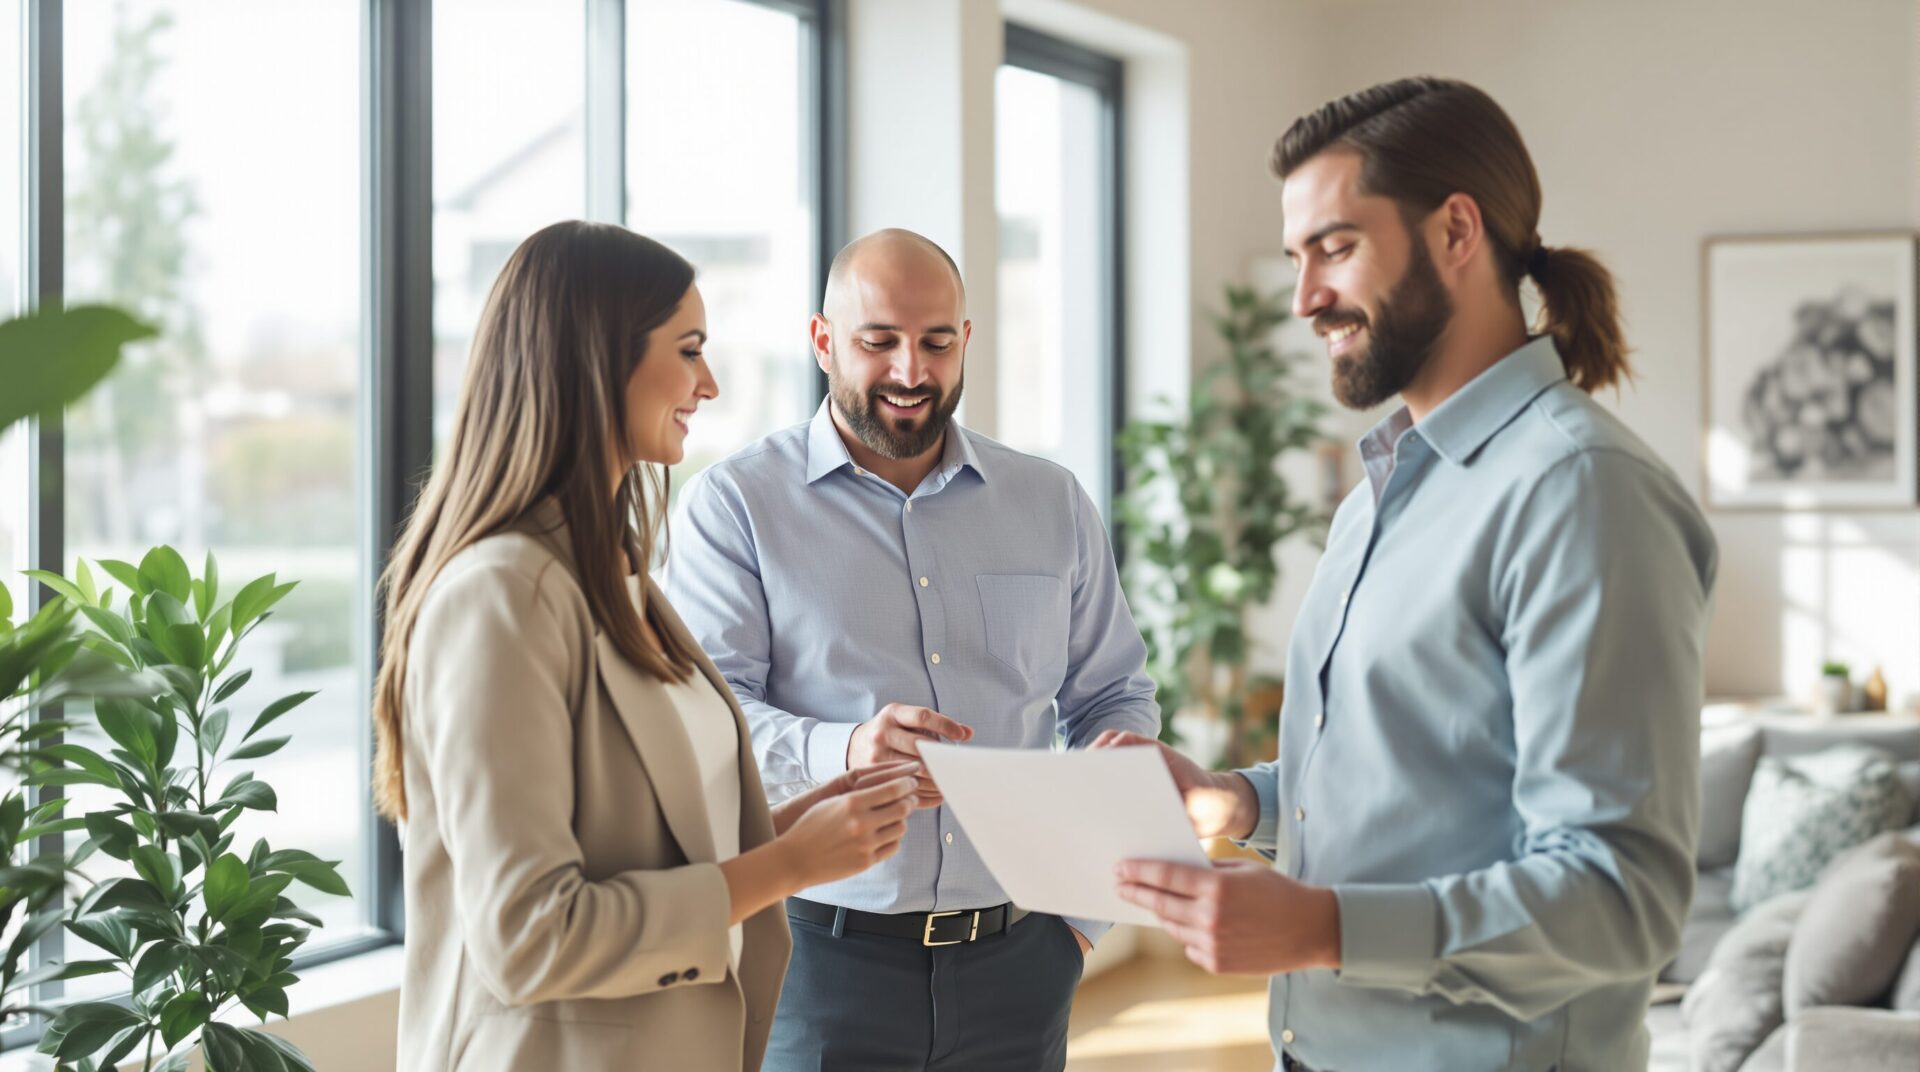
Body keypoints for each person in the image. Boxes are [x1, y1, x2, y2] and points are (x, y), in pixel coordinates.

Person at [1097, 77, 1717, 1070]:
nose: (1304, 299)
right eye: (1299, 258)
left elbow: (1619, 899)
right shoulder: (1382, 489)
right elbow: (1410, 776)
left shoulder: (1580, 491)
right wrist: (1234, 802)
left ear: (1456, 232)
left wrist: (1324, 928)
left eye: (1335, 247)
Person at [372, 220, 922, 1072]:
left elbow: (629, 841)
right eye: (690, 349)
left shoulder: (618, 578)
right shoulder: (501, 594)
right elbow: (529, 936)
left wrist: (789, 832)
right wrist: (783, 867)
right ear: (598, 359)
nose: (707, 384)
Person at [666, 228, 1160, 1070]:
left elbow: (1113, 695)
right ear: (823, 342)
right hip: (819, 965)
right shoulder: (736, 506)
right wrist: (846, 749)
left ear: (966, 340)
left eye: (936, 342)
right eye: (878, 341)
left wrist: (1078, 921)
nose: (910, 371)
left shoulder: (1051, 501)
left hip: (1025, 958)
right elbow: (705, 726)